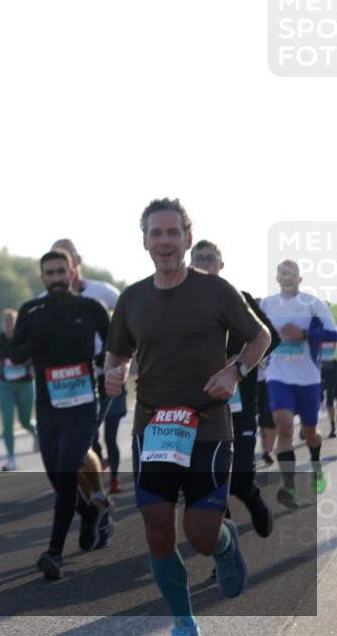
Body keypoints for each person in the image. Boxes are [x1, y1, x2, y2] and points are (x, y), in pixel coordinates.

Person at [105, 198, 270, 636]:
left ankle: (225, 542)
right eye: (155, 233)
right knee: (158, 530)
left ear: (187, 239)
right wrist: (114, 371)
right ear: (144, 241)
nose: (164, 241)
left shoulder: (216, 291)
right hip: (154, 427)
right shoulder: (132, 298)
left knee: (199, 535)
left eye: (172, 232)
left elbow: (260, 337)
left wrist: (235, 371)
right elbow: (118, 350)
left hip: (208, 427)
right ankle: (183, 619)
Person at [9, 250, 112, 579]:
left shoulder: (90, 308)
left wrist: (109, 370)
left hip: (83, 404)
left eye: (60, 272)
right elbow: (13, 355)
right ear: (42, 278)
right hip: (48, 406)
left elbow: (116, 345)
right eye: (49, 273)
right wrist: (32, 343)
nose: (55, 278)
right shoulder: (31, 310)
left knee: (68, 471)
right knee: (57, 476)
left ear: (72, 273)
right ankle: (89, 513)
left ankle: (54, 552)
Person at [189, 241, 279, 538]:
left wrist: (238, 364)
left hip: (239, 404)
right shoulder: (181, 305)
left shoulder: (240, 299)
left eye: (209, 259)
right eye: (197, 259)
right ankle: (224, 553)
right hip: (201, 407)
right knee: (213, 482)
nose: (203, 263)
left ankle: (252, 500)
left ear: (220, 265)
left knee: (239, 478)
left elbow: (272, 338)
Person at [50, 239, 126, 494]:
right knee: (88, 437)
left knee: (111, 433)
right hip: (78, 379)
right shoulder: (48, 300)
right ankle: (96, 480)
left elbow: (128, 312)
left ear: (77, 261)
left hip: (110, 372)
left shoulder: (101, 291)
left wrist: (116, 347)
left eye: (67, 254)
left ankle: (115, 477)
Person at [259, 260, 337, 504]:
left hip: (308, 378)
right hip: (278, 375)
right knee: (283, 426)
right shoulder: (267, 304)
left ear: (300, 279)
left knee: (309, 431)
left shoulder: (312, 304)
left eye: (292, 274)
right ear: (277, 278)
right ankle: (289, 487)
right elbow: (256, 333)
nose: (287, 277)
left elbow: (334, 334)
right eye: (283, 273)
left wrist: (304, 334)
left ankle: (316, 466)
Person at [0, 308, 36, 471]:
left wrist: (22, 362)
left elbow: (34, 357)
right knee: (7, 421)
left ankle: (36, 433)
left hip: (25, 384)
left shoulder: (24, 339)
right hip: (5, 386)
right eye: (6, 320)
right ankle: (11, 458)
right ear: (2, 324)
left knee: (25, 421)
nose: (8, 323)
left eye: (11, 320)